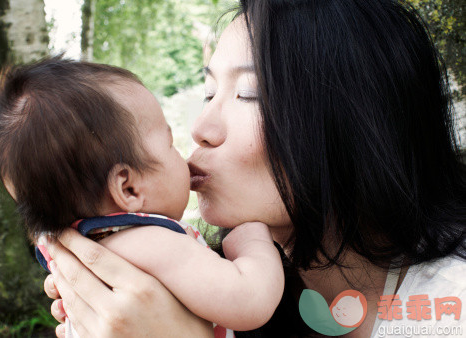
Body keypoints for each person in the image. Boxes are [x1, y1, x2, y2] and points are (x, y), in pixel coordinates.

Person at [43, 0, 466, 337]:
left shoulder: (451, 306)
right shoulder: (210, 285)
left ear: (353, 120)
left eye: (249, 94)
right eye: (209, 93)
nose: (201, 129)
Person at [0, 58, 285, 335]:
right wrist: (252, 240)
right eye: (170, 144)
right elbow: (249, 300)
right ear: (128, 188)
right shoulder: (151, 243)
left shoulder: (85, 252)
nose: (190, 142)